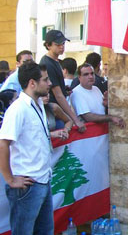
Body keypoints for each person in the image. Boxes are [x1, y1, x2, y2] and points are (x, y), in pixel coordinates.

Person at [0, 62, 54, 234]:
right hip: (27, 185)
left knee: (44, 230)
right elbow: (3, 144)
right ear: (32, 83)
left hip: (42, 179)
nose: (50, 83)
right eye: (45, 80)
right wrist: (10, 179)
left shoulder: (37, 104)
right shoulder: (17, 109)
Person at [39, 29, 85, 132]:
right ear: (48, 45)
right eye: (58, 44)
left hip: (58, 111)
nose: (61, 46)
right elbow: (58, 96)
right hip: (55, 114)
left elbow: (59, 91)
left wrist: (64, 90)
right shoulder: (48, 64)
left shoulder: (55, 61)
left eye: (63, 43)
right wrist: (76, 120)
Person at [70, 63, 125, 128]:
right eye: (86, 74)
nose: (90, 76)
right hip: (89, 134)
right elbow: (88, 117)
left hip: (101, 134)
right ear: (79, 77)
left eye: (92, 73)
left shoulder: (96, 89)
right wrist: (111, 118)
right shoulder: (76, 92)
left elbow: (101, 111)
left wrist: (107, 105)